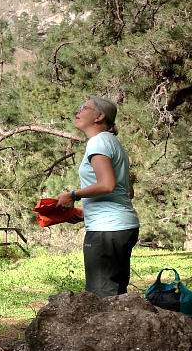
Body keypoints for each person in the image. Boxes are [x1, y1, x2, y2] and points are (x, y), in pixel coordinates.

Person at [56, 97, 140, 297]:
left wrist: (73, 195)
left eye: (84, 107)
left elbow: (107, 185)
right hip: (121, 227)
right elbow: (127, 192)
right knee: (117, 295)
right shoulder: (112, 142)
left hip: (106, 230)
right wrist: (89, 210)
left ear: (100, 116)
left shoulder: (98, 143)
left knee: (101, 298)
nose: (78, 111)